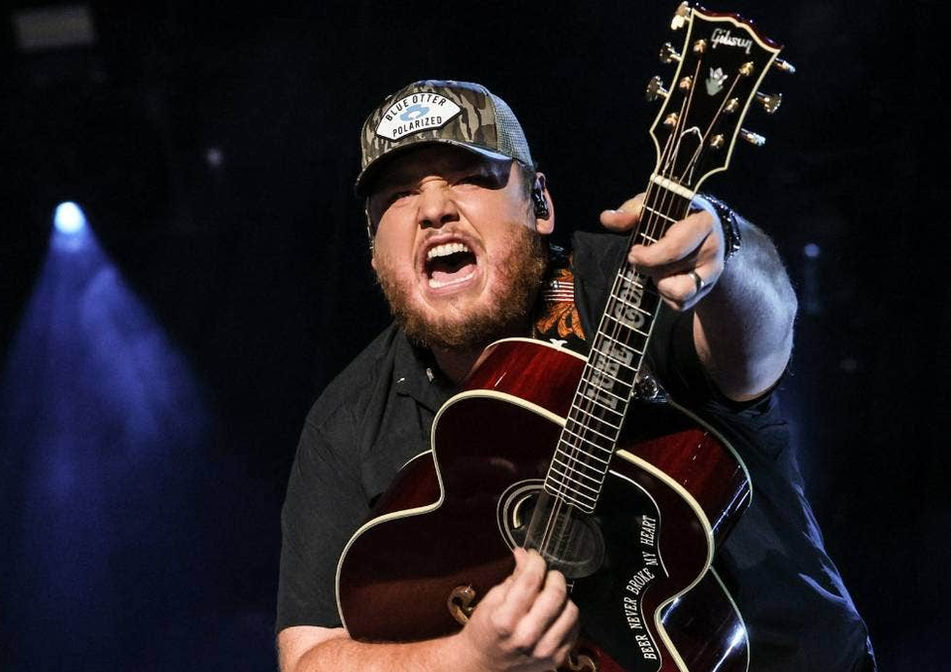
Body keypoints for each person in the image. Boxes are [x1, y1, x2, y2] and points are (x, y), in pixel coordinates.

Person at [276, 80, 876, 671]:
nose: (434, 209)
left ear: (540, 204)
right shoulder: (347, 420)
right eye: (400, 195)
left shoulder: (633, 287)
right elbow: (309, 657)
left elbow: (759, 347)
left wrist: (727, 251)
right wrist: (468, 659)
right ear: (374, 247)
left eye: (469, 177)